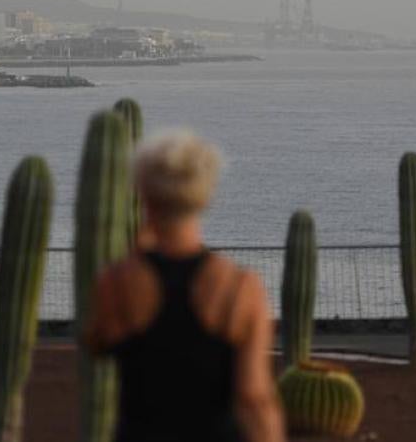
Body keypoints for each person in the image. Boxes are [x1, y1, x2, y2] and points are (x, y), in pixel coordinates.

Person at [87, 131, 285, 442]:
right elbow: (254, 397)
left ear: (144, 194)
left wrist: (137, 251)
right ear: (206, 195)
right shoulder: (240, 288)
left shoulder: (116, 283)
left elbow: (96, 341)